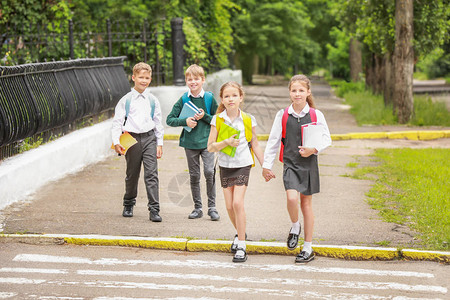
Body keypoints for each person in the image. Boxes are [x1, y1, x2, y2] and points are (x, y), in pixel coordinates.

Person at [262, 74, 331, 263]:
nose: (297, 94)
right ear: (290, 93)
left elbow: (327, 139)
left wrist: (314, 149)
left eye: (301, 90)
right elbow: (274, 141)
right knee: (292, 199)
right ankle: (295, 226)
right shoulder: (282, 115)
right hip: (290, 163)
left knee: (306, 205)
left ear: (308, 92)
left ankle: (307, 248)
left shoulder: (317, 115)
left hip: (309, 165)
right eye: (294, 90)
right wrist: (266, 166)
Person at [207, 81, 264, 263]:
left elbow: (254, 142)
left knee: (238, 203)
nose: (230, 99)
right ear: (221, 100)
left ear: (241, 97)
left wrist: (265, 166)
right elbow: (210, 147)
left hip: (243, 164)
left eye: (234, 95)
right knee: (229, 206)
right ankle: (241, 233)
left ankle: (242, 245)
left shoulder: (248, 119)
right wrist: (226, 143)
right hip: (225, 165)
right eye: (226, 96)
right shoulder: (218, 120)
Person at [166, 64, 220, 221]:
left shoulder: (209, 98)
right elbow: (170, 119)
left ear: (202, 80)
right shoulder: (183, 99)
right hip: (190, 143)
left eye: (196, 79)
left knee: (209, 172)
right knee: (194, 175)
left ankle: (212, 207)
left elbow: (218, 120)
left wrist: (205, 116)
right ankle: (198, 208)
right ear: (186, 81)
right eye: (189, 79)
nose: (193, 82)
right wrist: (186, 121)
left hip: (208, 142)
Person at [111, 62, 164, 222]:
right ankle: (128, 203)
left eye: (147, 77)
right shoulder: (125, 100)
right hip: (131, 139)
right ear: (133, 77)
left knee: (152, 174)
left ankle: (154, 209)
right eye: (141, 77)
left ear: (150, 79)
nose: (144, 80)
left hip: (149, 138)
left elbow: (158, 122)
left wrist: (159, 143)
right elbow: (117, 123)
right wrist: (116, 141)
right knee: (132, 174)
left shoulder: (153, 100)